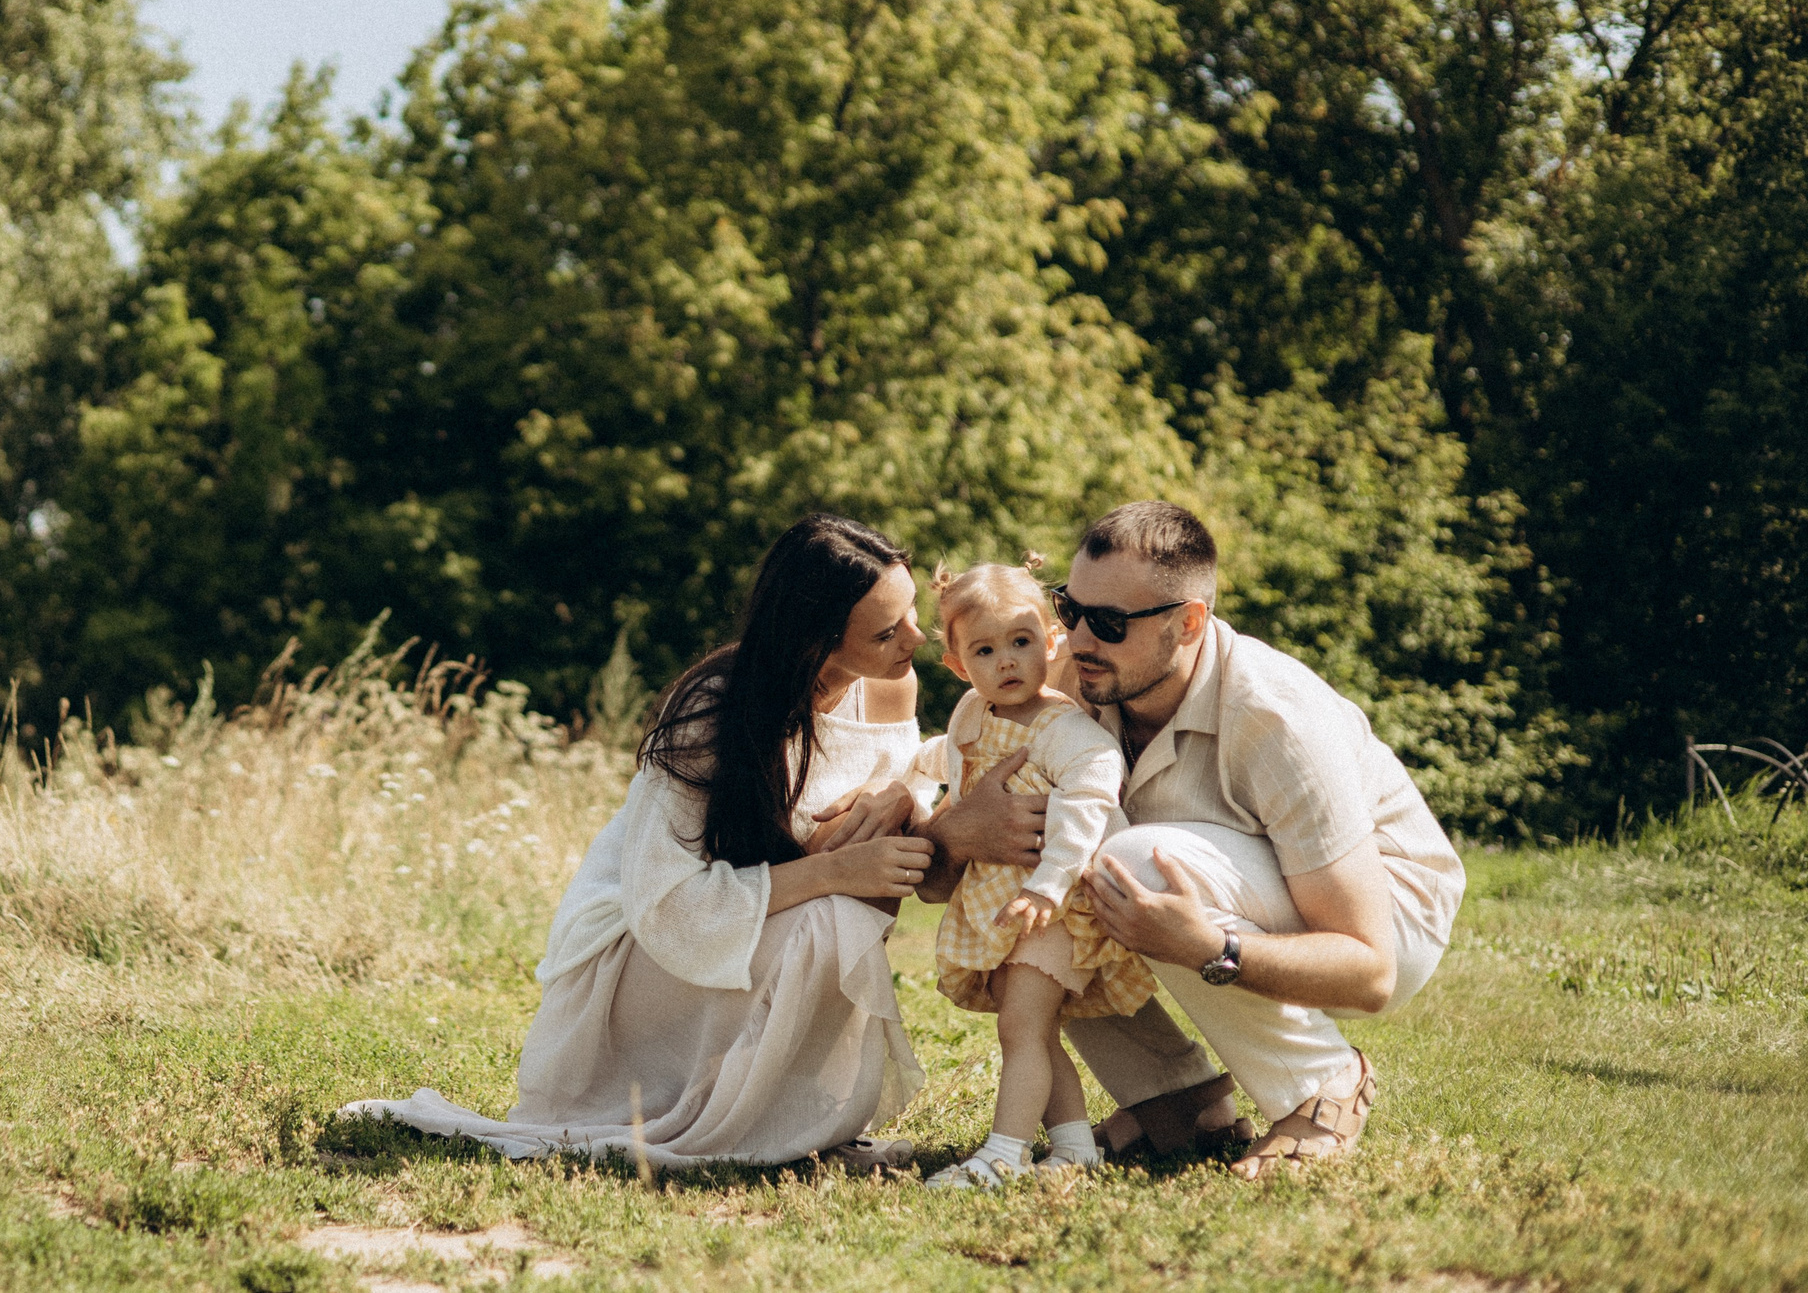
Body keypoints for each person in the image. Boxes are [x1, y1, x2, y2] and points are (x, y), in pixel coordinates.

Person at [339, 513, 940, 1168]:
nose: (918, 635)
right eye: (888, 630)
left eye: (911, 612)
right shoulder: (714, 713)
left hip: (750, 921)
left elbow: (900, 780)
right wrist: (836, 873)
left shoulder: (892, 684)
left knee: (849, 912)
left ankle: (798, 1125)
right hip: (638, 947)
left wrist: (907, 798)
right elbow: (668, 906)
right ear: (815, 640)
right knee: (832, 917)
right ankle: (755, 1131)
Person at [919, 500, 1465, 1178]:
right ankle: (1177, 1100)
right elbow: (966, 785)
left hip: (1386, 914)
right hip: (1223, 878)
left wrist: (1212, 948)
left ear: (1188, 622)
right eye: (1069, 609)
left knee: (1125, 863)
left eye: (1111, 623)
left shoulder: (1276, 718)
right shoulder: (1081, 674)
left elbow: (1372, 969)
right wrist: (952, 825)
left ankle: (1322, 1084)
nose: (1079, 639)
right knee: (1058, 860)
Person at [909, 560, 1151, 1190]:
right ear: (960, 666)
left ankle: (1003, 1154)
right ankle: (1074, 1149)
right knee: (1031, 1031)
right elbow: (944, 755)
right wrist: (901, 781)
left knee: (1022, 1027)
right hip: (1008, 901)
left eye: (1021, 642)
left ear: (1052, 643)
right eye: (985, 651)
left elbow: (1087, 802)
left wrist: (1049, 883)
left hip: (1060, 902)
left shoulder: (1064, 727)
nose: (1007, 662)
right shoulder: (973, 712)